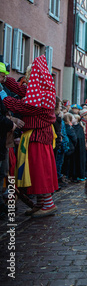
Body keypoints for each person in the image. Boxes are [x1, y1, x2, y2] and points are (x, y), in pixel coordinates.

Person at [2, 55, 59, 217]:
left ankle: (48, 204)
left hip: (38, 136)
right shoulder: (42, 90)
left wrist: (2, 95)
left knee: (39, 169)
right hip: (36, 135)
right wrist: (6, 80)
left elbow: (21, 106)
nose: (27, 80)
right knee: (34, 169)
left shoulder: (41, 95)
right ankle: (41, 203)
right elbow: (21, 90)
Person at [0, 61, 16, 218]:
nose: (4, 79)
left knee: (5, 170)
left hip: (4, 140)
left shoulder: (2, 90)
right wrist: (10, 123)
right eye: (3, 76)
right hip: (3, 138)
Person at [62, 113, 77, 182]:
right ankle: (66, 176)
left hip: (67, 146)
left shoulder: (63, 126)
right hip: (69, 146)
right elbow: (74, 137)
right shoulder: (68, 127)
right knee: (66, 163)